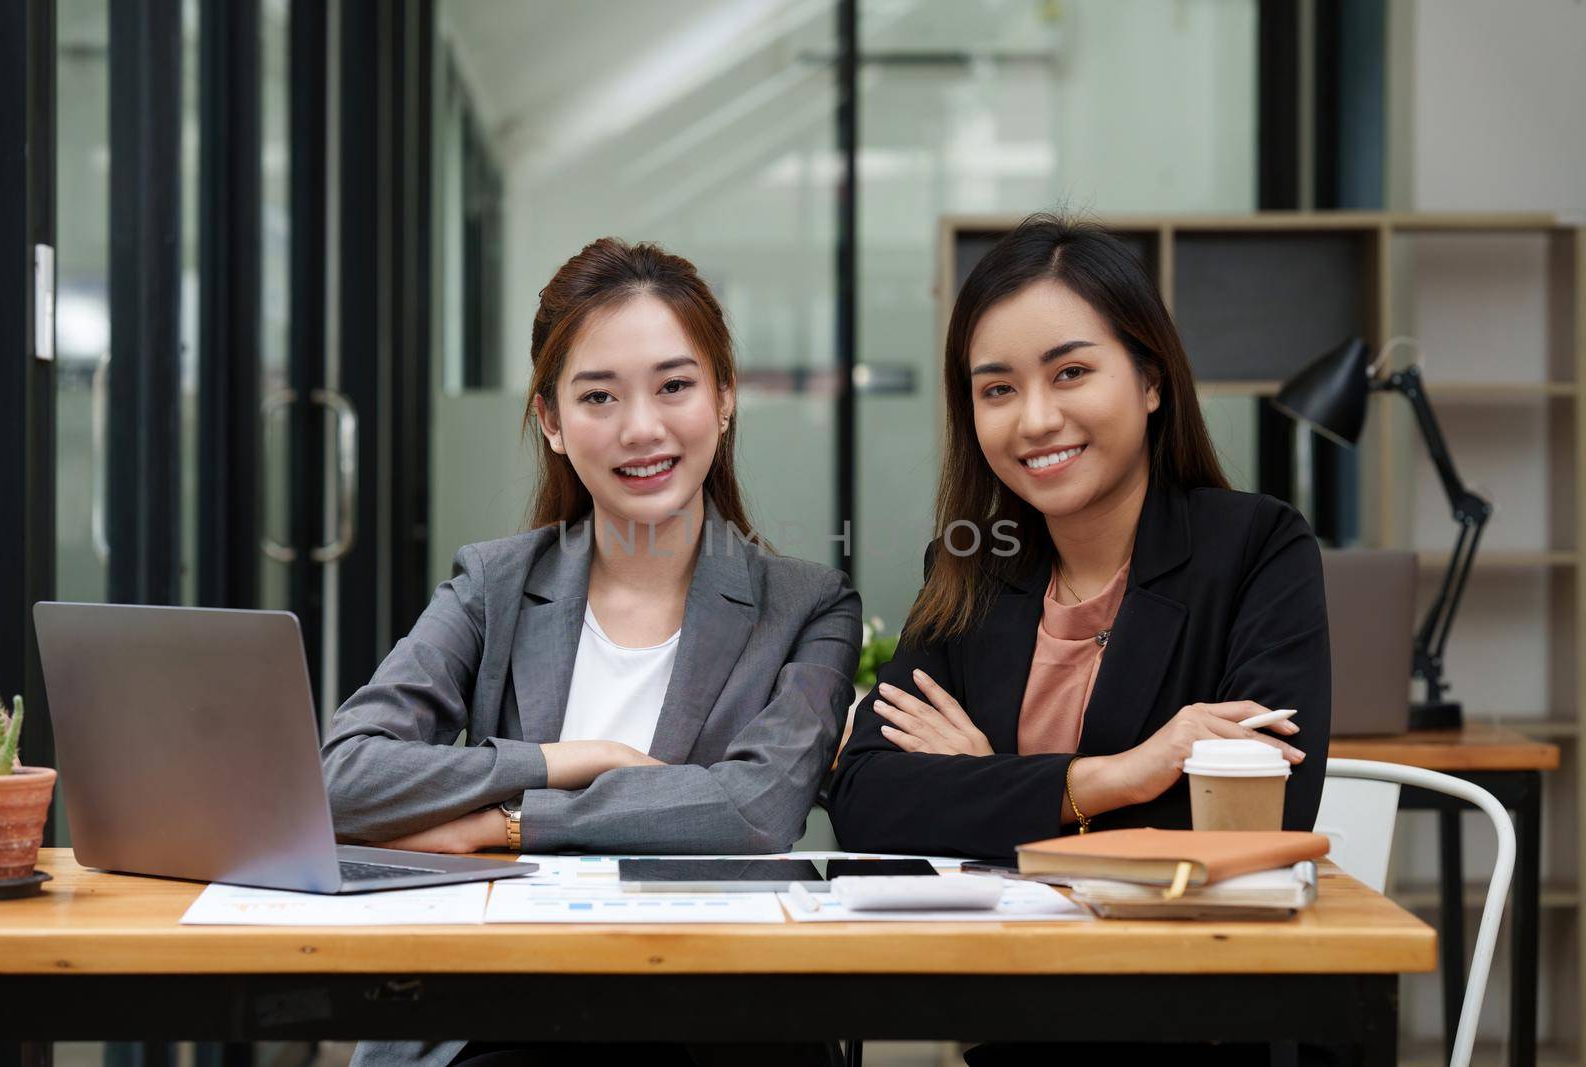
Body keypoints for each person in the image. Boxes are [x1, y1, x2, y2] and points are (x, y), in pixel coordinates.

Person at [322, 237, 860, 1067]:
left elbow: (753, 811)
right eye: (599, 396)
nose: (641, 428)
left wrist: (502, 826)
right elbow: (341, 776)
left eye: (675, 386)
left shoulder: (809, 605)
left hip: (718, 1014)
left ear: (723, 397)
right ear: (552, 420)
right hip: (507, 1008)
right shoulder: (492, 584)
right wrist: (562, 758)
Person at [827, 213, 1329, 867]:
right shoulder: (972, 567)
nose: (1036, 419)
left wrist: (993, 781)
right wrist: (1111, 777)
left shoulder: (1256, 549)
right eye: (998, 389)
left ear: (1150, 380)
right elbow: (866, 798)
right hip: (992, 957)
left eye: (1070, 373)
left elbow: (1261, 815)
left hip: (1180, 957)